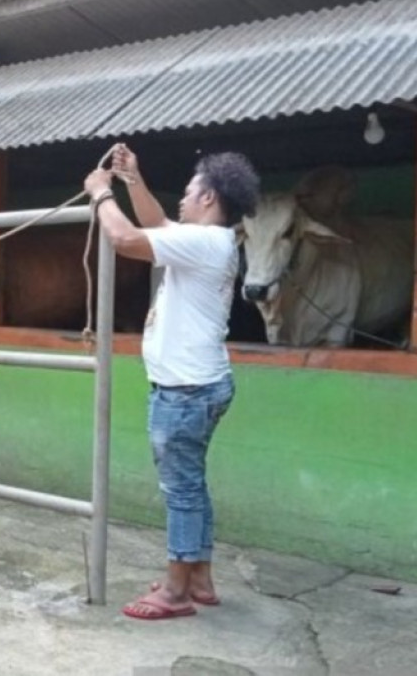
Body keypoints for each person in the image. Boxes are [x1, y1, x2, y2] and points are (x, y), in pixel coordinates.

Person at [84, 143, 260, 621]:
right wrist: (132, 178)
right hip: (200, 385)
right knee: (192, 486)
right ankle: (198, 578)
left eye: (188, 192)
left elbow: (124, 239)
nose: (181, 200)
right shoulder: (211, 239)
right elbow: (157, 223)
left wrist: (101, 195)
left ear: (208, 198)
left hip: (184, 391)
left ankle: (176, 591)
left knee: (180, 492)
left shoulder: (205, 243)